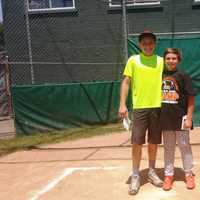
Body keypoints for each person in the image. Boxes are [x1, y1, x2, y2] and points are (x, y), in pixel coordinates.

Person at [118, 30, 164, 195]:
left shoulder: (161, 61)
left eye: (150, 43)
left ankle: (151, 171)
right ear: (140, 45)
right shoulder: (133, 60)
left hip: (158, 107)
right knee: (137, 142)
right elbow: (126, 82)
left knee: (153, 141)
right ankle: (136, 174)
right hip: (139, 108)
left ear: (155, 44)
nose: (147, 46)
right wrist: (122, 105)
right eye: (144, 43)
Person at [161, 48, 196, 191]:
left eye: (174, 58)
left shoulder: (183, 76)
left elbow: (191, 98)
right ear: (164, 60)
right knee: (168, 148)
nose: (171, 61)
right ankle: (168, 175)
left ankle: (188, 174)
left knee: (184, 147)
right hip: (165, 119)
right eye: (168, 58)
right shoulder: (160, 75)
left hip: (181, 118)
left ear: (178, 60)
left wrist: (189, 118)